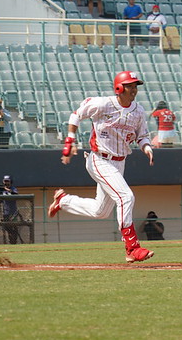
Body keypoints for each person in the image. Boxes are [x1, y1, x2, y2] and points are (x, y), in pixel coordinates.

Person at [48, 70, 155, 263]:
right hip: (100, 159)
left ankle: (63, 201)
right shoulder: (103, 104)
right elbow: (76, 115)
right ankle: (132, 247)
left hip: (119, 162)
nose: (133, 89)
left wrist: (146, 147)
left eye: (135, 86)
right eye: (130, 85)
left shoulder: (138, 111)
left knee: (101, 211)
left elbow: (142, 135)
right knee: (126, 196)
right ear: (119, 88)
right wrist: (70, 139)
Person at [0, 175, 21, 244]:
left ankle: (14, 242)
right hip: (6, 212)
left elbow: (15, 194)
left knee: (14, 226)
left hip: (13, 212)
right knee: (6, 227)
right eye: (5, 181)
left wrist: (6, 189)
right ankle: (11, 239)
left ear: (10, 182)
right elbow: (2, 198)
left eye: (7, 181)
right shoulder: (3, 191)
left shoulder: (13, 189)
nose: (6, 183)